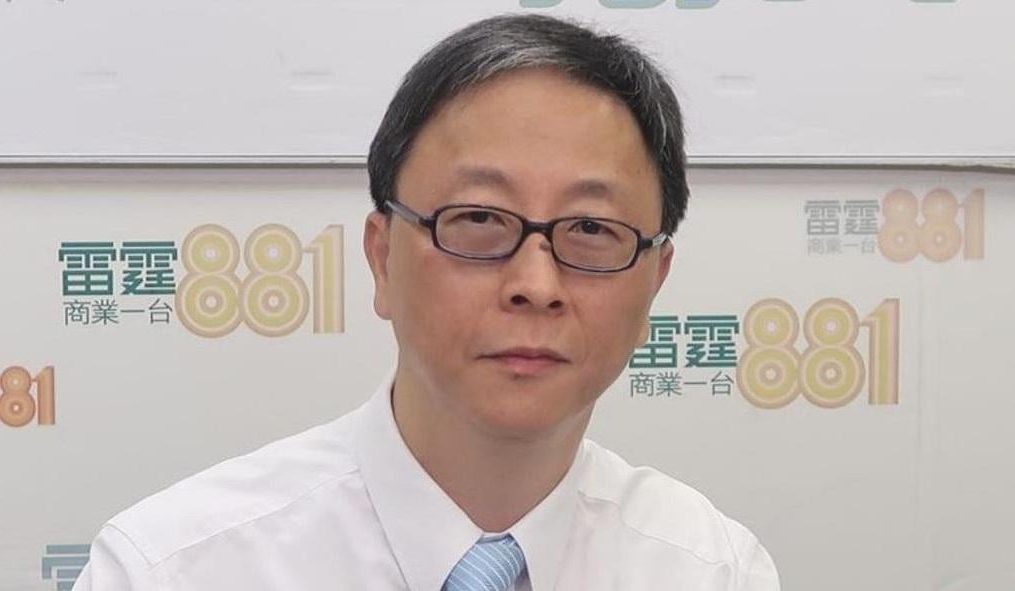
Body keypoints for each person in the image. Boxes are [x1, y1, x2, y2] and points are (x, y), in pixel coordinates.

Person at [73, 13, 779, 591]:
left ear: (654, 279)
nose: (536, 284)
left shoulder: (712, 570)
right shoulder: (172, 569)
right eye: (479, 218)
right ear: (383, 258)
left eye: (592, 229)